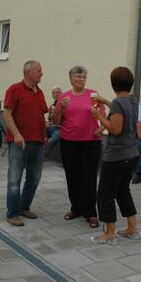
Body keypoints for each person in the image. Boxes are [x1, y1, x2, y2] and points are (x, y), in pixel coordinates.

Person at [90, 67, 139, 245]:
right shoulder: (132, 100)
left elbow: (115, 129)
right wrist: (105, 101)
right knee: (123, 191)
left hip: (116, 156)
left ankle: (110, 233)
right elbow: (122, 111)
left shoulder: (119, 103)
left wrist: (99, 116)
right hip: (131, 154)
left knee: (105, 194)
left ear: (113, 83)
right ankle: (132, 228)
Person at [53, 66, 104, 228]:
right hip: (69, 142)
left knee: (89, 178)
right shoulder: (64, 97)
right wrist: (61, 108)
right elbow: (56, 121)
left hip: (91, 142)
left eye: (83, 77)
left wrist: (102, 128)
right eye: (78, 76)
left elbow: (103, 115)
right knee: (72, 176)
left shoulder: (93, 95)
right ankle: (76, 208)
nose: (81, 79)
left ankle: (91, 213)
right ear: (71, 79)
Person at [3, 60, 48, 227]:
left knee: (34, 178)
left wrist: (45, 134)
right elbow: (7, 113)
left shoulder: (40, 92)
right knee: (14, 179)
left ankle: (24, 207)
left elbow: (40, 115)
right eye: (39, 70)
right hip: (19, 142)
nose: (42, 73)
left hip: (38, 142)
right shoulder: (14, 89)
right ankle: (12, 214)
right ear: (28, 72)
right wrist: (16, 134)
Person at [46, 86, 62, 154]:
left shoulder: (64, 105)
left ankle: (44, 150)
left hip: (59, 128)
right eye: (54, 93)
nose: (56, 94)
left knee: (54, 138)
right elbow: (49, 119)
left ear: (61, 93)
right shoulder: (52, 106)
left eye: (57, 92)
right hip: (50, 128)